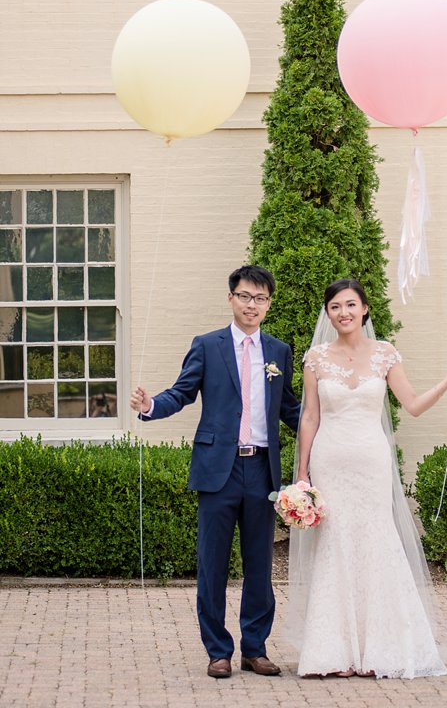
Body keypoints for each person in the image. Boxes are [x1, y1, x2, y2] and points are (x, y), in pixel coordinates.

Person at [289, 278, 447, 680]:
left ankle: (380, 647)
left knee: (376, 540)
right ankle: (335, 651)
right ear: (328, 313)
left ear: (365, 309)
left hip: (371, 462)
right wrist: (302, 474)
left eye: (351, 305)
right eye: (336, 306)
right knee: (335, 544)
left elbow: (411, 405)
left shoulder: (386, 355)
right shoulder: (316, 358)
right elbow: (310, 417)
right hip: (330, 462)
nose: (344, 312)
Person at [130, 265, 300, 679]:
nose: (251, 305)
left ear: (269, 303)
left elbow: (291, 409)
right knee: (212, 564)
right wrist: (152, 406)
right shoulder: (207, 345)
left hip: (262, 470)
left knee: (260, 565)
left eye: (260, 298)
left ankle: (255, 649)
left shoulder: (278, 352)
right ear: (231, 298)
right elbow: (183, 391)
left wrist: (334, 431)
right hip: (217, 471)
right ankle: (218, 650)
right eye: (244, 296)